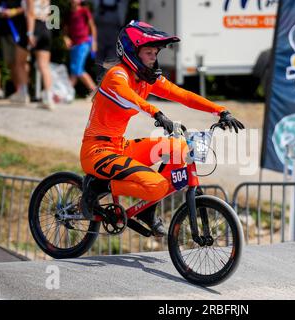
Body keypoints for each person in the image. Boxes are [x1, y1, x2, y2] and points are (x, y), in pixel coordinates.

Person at [80, 21, 245, 237]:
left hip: (120, 147)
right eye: (148, 52)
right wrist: (157, 114)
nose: (153, 57)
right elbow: (131, 99)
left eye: (155, 52)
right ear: (132, 52)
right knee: (157, 186)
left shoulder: (147, 79)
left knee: (179, 148)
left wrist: (220, 111)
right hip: (97, 153)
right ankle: (98, 186)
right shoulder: (117, 76)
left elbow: (183, 95)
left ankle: (147, 210)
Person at [10, 0, 54, 109]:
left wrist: (30, 33)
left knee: (19, 62)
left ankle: (23, 94)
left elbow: (30, 13)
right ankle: (48, 97)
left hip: (32, 27)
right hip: (45, 27)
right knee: (44, 65)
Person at [63, 0, 97, 95]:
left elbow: (92, 27)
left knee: (77, 69)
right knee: (74, 70)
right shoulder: (68, 14)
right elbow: (65, 30)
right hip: (74, 45)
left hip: (84, 43)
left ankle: (95, 91)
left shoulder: (84, 11)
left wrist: (94, 42)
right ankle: (67, 92)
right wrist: (66, 38)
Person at [0, 0, 26, 95]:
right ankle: (19, 91)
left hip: (17, 32)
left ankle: (23, 91)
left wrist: (13, 12)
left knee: (20, 63)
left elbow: (29, 7)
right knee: (11, 63)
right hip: (5, 31)